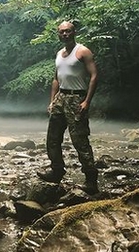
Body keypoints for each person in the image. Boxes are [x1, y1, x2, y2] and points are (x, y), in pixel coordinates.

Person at [38, 20, 99, 195]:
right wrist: (52, 101)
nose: (65, 34)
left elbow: (94, 76)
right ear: (58, 34)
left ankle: (91, 180)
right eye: (62, 32)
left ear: (74, 32)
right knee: (52, 138)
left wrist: (87, 101)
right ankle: (57, 171)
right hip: (60, 97)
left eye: (68, 31)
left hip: (76, 97)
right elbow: (56, 78)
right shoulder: (59, 53)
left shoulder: (83, 51)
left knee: (80, 140)